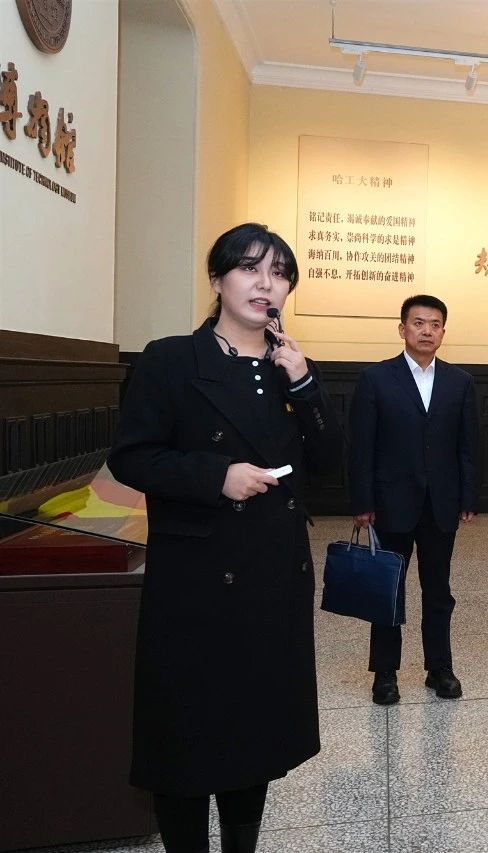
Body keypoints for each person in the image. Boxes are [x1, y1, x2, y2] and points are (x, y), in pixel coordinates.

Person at [108, 223, 342, 853]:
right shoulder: (171, 359)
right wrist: (217, 476)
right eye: (249, 268)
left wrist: (305, 384)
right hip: (195, 581)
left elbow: (330, 464)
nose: (266, 284)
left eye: (280, 273)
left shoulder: (289, 365)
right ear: (217, 280)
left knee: (252, 731)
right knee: (184, 731)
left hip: (272, 575)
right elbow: (133, 457)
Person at [348, 295, 479, 705]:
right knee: (388, 589)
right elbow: (361, 447)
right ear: (402, 328)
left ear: (443, 332)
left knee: (438, 590)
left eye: (435, 324)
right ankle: (385, 673)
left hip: (441, 503)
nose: (427, 331)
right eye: (418, 323)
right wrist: (362, 502)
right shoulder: (375, 379)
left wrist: (468, 495)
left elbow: (468, 446)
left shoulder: (460, 381)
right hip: (390, 503)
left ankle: (439, 667)